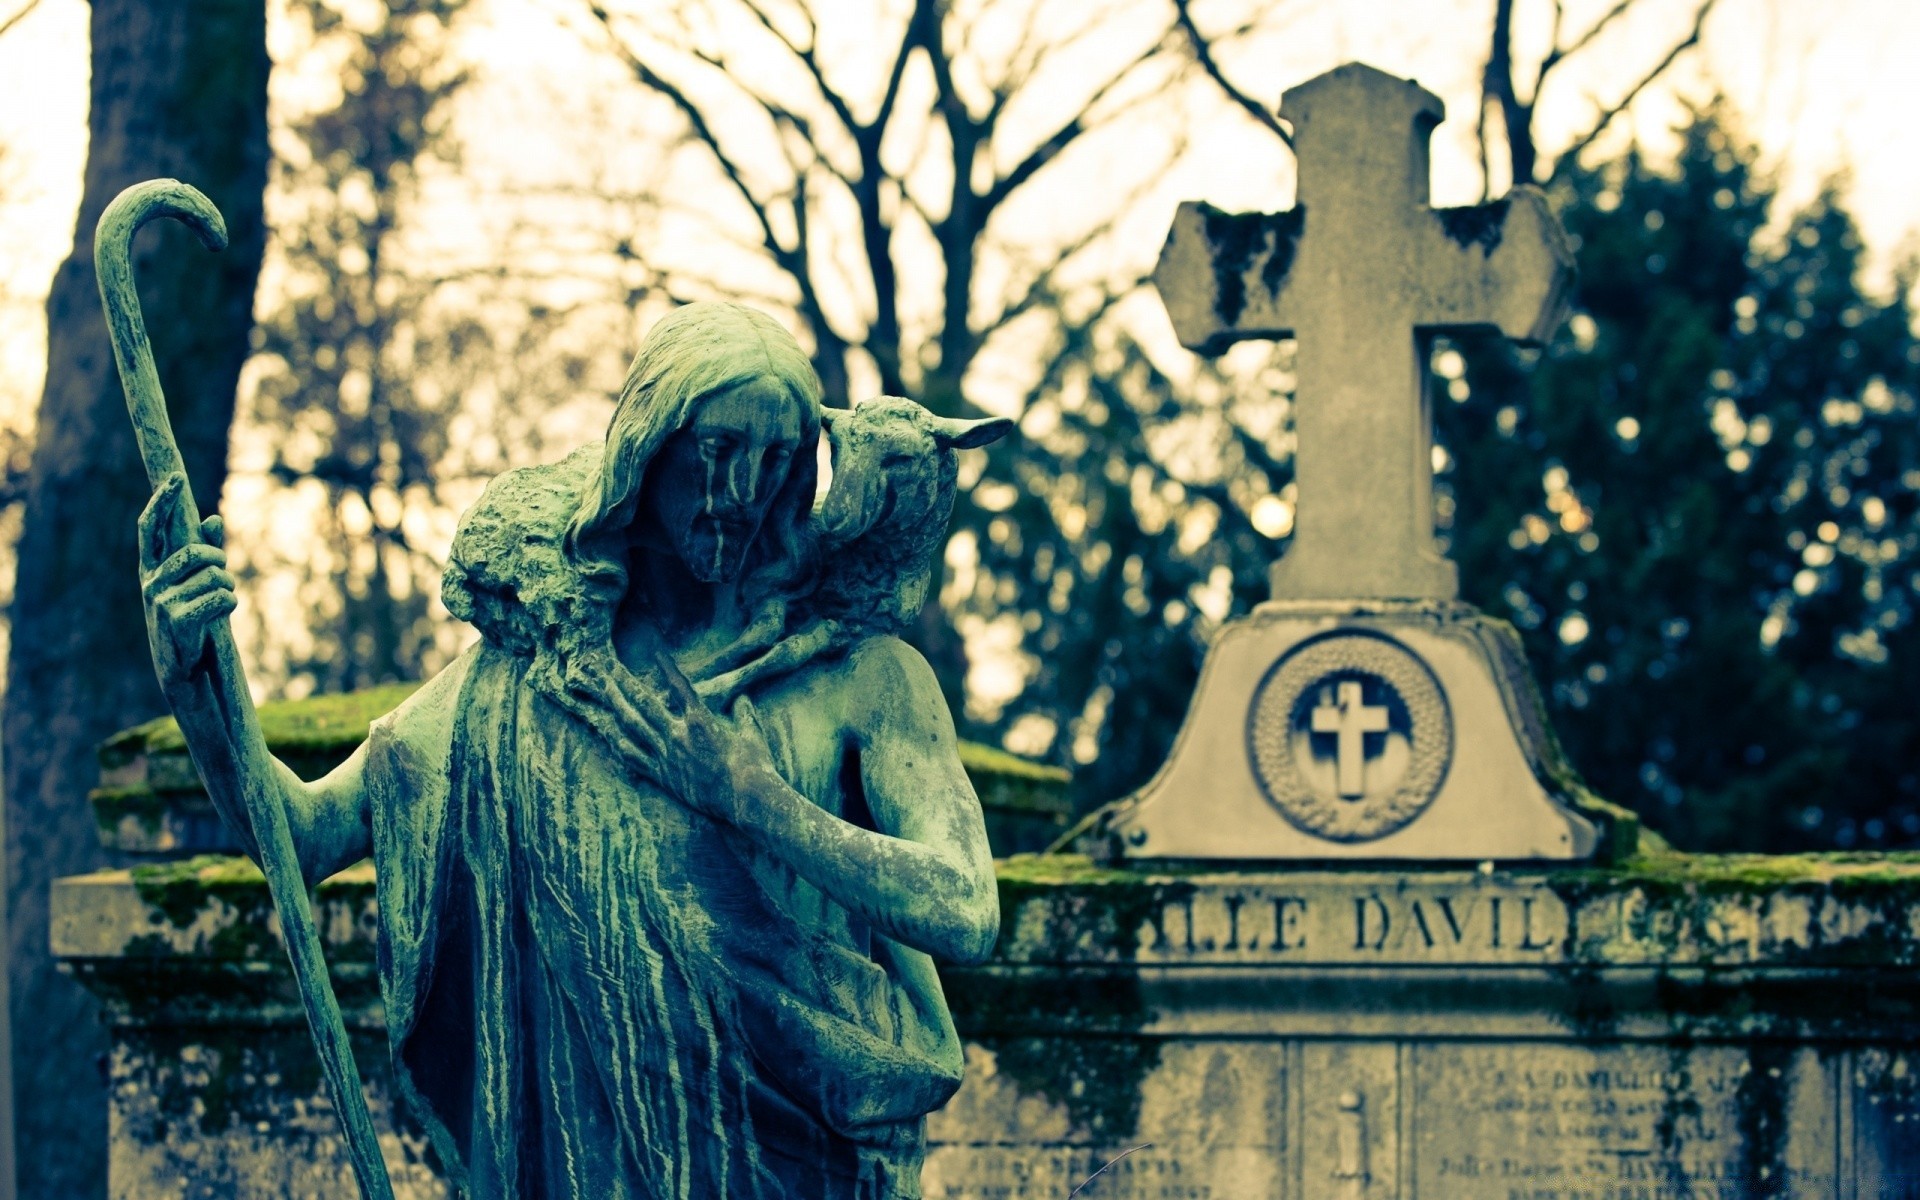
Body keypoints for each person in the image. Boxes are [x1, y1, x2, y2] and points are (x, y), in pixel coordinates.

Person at [137, 302, 999, 1199]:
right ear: (646, 449)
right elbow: (301, 833)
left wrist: (752, 798)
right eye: (716, 451)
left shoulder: (860, 675)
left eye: (776, 461)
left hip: (802, 1162)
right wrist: (198, 685)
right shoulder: (533, 678)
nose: (741, 492)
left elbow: (967, 909)